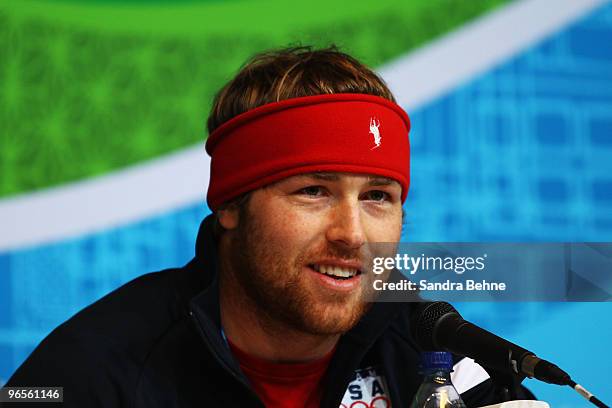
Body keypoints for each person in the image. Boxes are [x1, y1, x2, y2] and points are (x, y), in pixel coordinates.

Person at [5, 46, 533, 407]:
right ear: (231, 205)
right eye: (313, 191)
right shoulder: (92, 368)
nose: (352, 233)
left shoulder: (437, 350)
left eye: (377, 197)